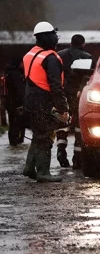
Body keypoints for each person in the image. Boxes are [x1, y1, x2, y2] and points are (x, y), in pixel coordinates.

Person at [22, 22, 69, 182]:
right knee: (45, 137)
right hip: (44, 103)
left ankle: (29, 168)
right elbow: (56, 86)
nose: (56, 38)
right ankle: (43, 172)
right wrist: (63, 107)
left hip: (30, 100)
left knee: (38, 135)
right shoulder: (50, 58)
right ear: (47, 37)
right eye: (54, 35)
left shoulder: (31, 54)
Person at [55, 34, 92, 168]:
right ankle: (77, 158)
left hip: (62, 93)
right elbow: (88, 77)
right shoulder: (87, 57)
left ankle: (60, 150)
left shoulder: (59, 55)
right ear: (83, 43)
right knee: (78, 126)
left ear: (71, 43)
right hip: (77, 95)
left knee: (62, 122)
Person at [4, 56, 26, 146]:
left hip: (10, 102)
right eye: (22, 63)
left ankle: (14, 141)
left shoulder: (10, 73)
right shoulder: (15, 74)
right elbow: (20, 90)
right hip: (16, 103)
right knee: (16, 123)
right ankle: (15, 141)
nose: (24, 65)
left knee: (13, 123)